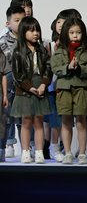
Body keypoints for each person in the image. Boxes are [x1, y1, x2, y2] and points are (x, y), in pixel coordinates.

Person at [50, 18, 87, 164]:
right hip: (64, 88)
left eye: (78, 32)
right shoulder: (59, 49)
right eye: (71, 32)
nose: (75, 35)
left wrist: (79, 68)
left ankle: (82, 153)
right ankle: (68, 153)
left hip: (82, 88)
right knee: (66, 121)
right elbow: (55, 67)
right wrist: (68, 67)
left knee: (81, 120)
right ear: (66, 33)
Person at [10, 16, 52, 164]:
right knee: (26, 121)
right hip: (25, 90)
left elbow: (48, 69)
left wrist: (43, 85)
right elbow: (17, 74)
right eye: (31, 30)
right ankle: (25, 152)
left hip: (40, 87)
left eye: (37, 30)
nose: (35, 33)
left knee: (39, 121)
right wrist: (30, 87)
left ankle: (39, 152)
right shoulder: (18, 52)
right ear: (23, 32)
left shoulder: (42, 50)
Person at [0, 5, 27, 161]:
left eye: (23, 20)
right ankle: (4, 147)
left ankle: (27, 149)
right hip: (9, 84)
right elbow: (7, 64)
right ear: (8, 23)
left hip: (26, 84)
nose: (20, 23)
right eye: (17, 20)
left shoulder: (30, 39)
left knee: (25, 118)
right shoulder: (3, 42)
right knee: (6, 117)